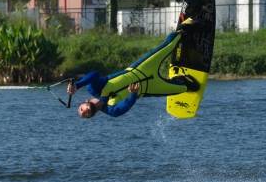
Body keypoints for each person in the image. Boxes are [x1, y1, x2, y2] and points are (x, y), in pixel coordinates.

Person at [66, 28, 200, 119]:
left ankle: (188, 28)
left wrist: (77, 85)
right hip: (149, 88)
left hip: (141, 69)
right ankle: (179, 80)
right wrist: (133, 94)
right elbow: (125, 106)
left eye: (81, 109)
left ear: (84, 102)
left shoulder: (94, 88)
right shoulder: (110, 110)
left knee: (170, 43)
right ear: (91, 116)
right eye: (85, 115)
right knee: (190, 87)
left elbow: (93, 75)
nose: (84, 112)